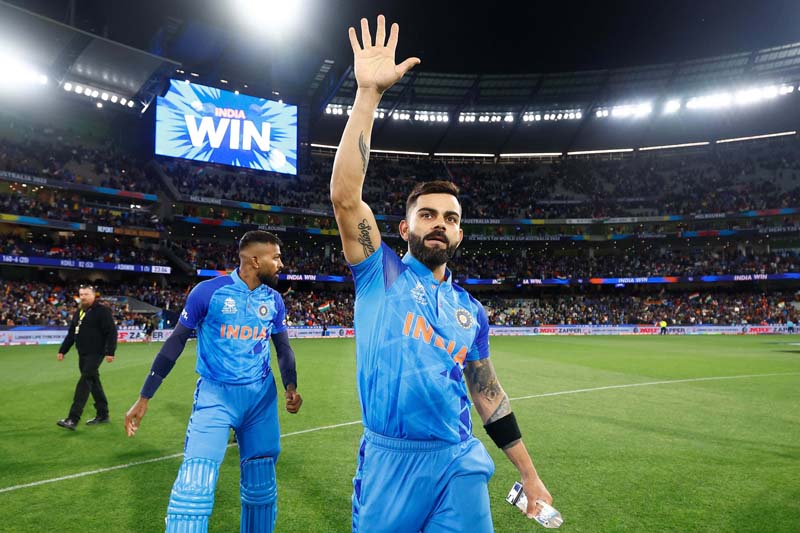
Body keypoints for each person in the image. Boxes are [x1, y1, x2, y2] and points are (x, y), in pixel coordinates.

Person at [330, 15, 553, 532]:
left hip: (458, 461)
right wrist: (368, 94)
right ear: (403, 226)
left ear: (459, 234)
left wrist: (531, 475)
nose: (439, 225)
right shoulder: (378, 272)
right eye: (427, 214)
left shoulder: (471, 312)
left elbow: (488, 394)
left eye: (450, 219)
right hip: (390, 463)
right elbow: (344, 198)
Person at [124, 231, 302, 533]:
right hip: (215, 398)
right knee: (194, 487)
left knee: (261, 488)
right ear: (255, 260)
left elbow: (283, 348)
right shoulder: (208, 293)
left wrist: (291, 386)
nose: (281, 263)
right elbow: (175, 343)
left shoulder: (274, 300)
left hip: (260, 400)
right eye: (276, 257)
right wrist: (145, 396)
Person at [56, 285, 117, 430]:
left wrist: (110, 351)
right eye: (81, 294)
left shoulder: (102, 311)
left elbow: (111, 332)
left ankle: (73, 418)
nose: (83, 297)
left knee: (84, 382)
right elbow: (72, 333)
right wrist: (62, 350)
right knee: (94, 382)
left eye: (86, 294)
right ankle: (103, 414)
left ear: (94, 295)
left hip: (96, 353)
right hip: (82, 354)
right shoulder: (80, 311)